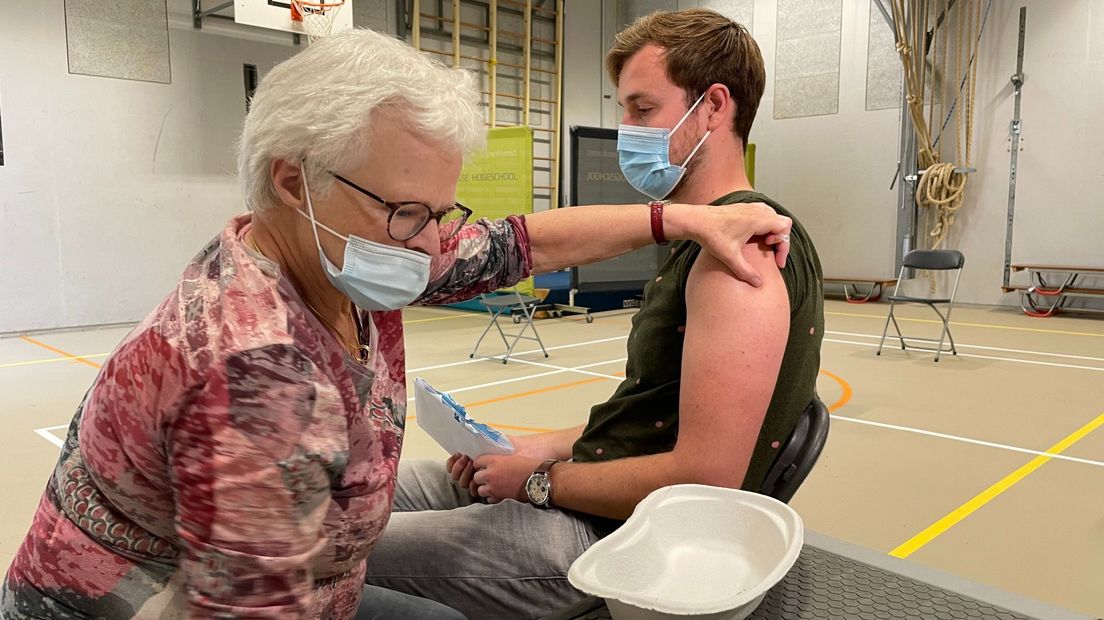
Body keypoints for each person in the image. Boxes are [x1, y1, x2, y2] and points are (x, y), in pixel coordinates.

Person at [0, 27, 793, 619]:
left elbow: (519, 243)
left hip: (304, 569)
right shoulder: (258, 376)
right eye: (405, 212)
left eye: (437, 213)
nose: (427, 244)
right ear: (292, 179)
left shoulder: (339, 250)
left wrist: (683, 223)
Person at [362, 9, 825, 619]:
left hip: (613, 536)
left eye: (642, 108)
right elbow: (647, 419)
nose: (625, 128)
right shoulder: (699, 236)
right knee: (360, 493)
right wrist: (532, 448)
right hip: (588, 484)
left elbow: (705, 477)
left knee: (336, 544)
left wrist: (537, 481)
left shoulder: (737, 259)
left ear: (714, 106)